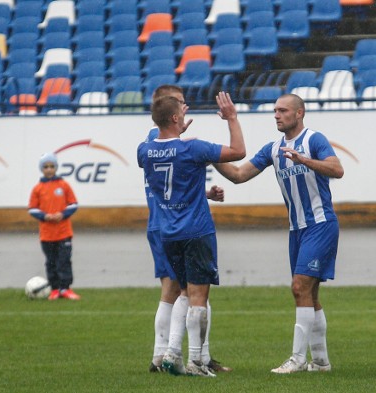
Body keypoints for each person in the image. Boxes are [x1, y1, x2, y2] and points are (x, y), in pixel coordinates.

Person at [213, 94, 343, 374]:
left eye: (283, 110)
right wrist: (210, 156)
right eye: (274, 110)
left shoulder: (314, 140)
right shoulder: (272, 149)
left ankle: (297, 359)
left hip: (321, 225)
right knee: (310, 293)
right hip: (296, 230)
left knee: (298, 287)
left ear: (299, 113)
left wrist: (305, 160)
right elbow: (238, 174)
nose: (276, 115)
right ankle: (321, 362)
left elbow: (337, 169)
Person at [137, 92, 246, 377]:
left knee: (182, 292)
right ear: (175, 118)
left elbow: (168, 171)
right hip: (196, 229)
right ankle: (196, 361)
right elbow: (238, 152)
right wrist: (232, 118)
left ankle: (171, 352)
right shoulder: (193, 148)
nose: (185, 115)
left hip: (168, 231)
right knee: (199, 296)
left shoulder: (144, 151)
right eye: (181, 112)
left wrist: (174, 133)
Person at [28, 153, 80, 301]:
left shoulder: (63, 185)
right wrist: (45, 216)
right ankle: (54, 289)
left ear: (56, 168)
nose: (49, 169)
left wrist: (62, 214)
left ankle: (66, 289)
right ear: (41, 169)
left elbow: (74, 204)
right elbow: (32, 209)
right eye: (46, 167)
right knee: (50, 262)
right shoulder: (38, 188)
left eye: (52, 166)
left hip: (64, 232)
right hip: (46, 234)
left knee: (64, 261)